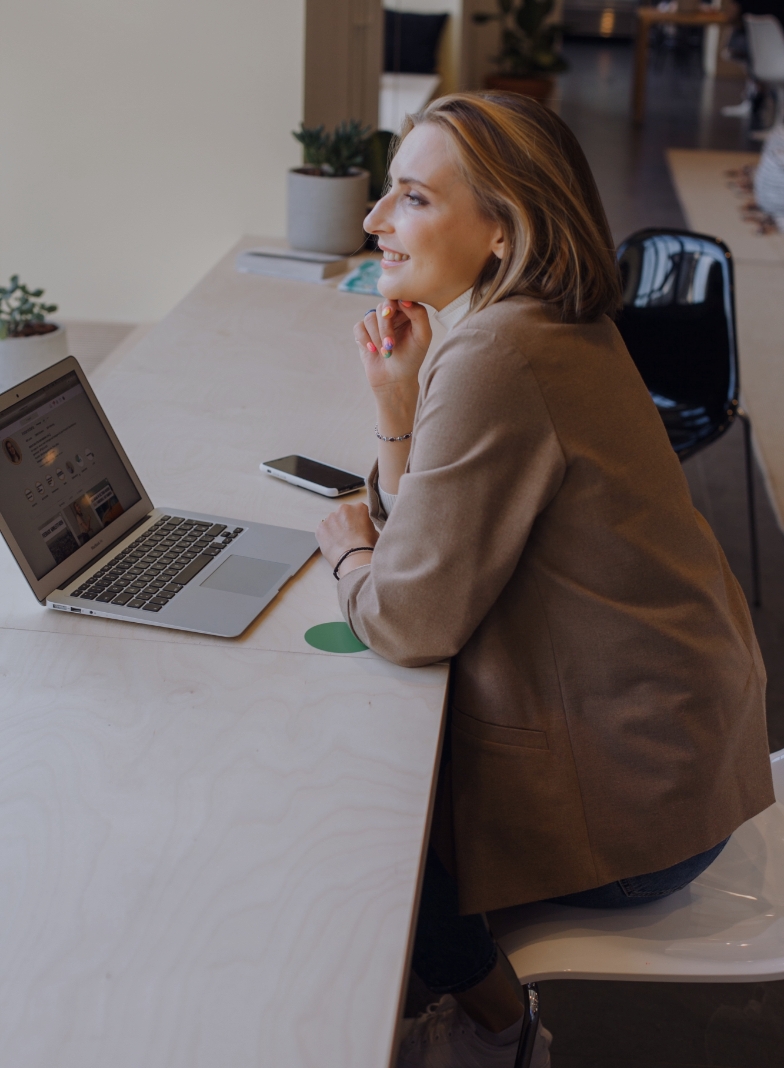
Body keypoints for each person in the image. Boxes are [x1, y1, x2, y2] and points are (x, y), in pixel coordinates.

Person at [316, 93, 774, 1068]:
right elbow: (443, 546)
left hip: (637, 803)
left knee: (359, 826)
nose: (373, 221)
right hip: (687, 754)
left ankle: (499, 1027)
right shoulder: (541, 322)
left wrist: (344, 547)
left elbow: (406, 615)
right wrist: (399, 408)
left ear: (500, 229)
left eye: (410, 198)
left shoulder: (498, 354)